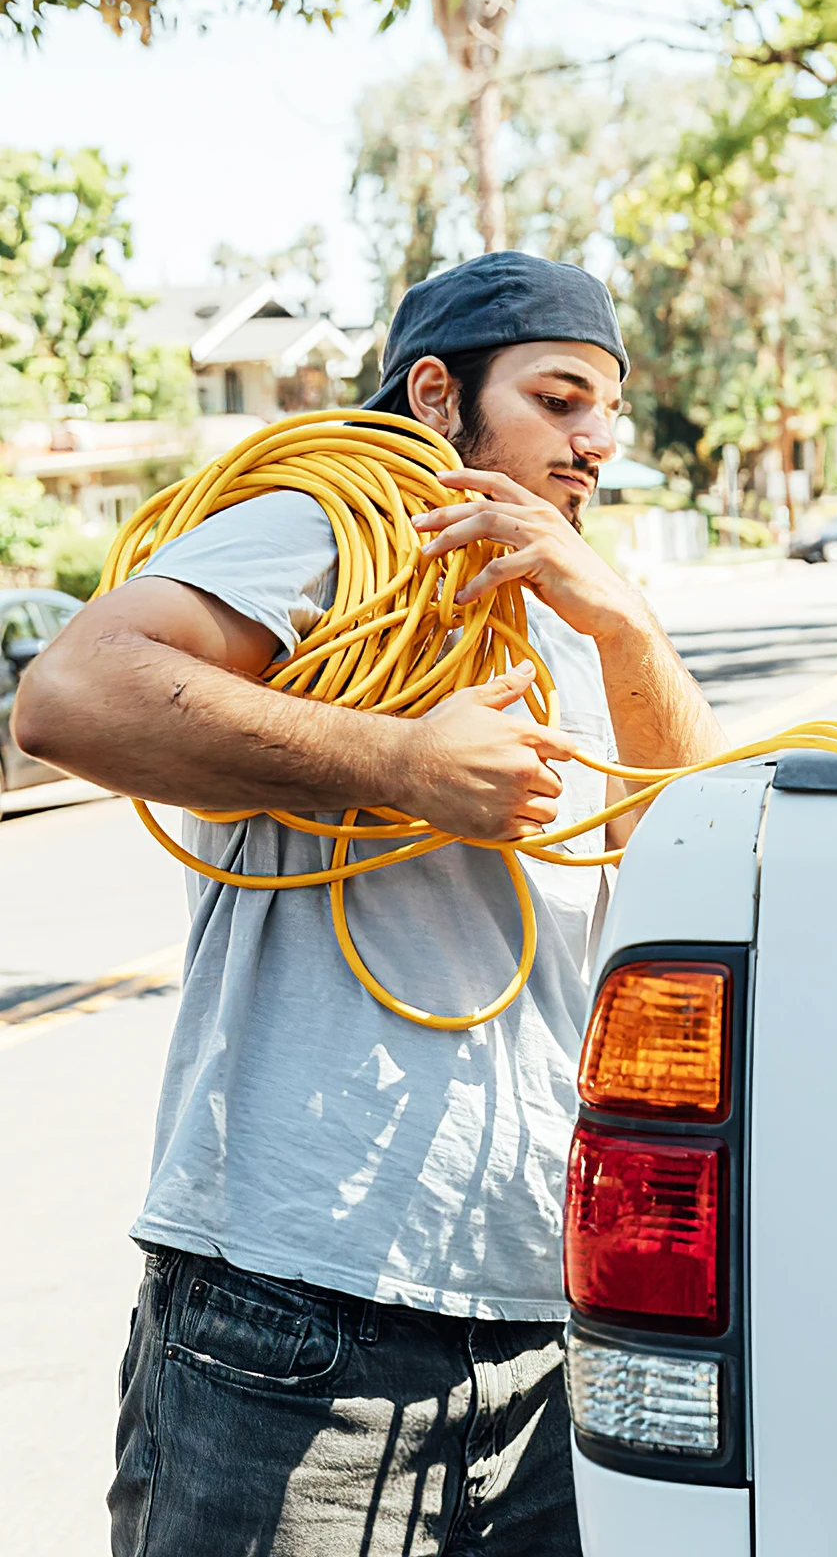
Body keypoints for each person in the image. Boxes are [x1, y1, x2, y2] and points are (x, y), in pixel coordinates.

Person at [12, 251, 726, 1555]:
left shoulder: (579, 605)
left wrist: (624, 627)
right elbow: (70, 694)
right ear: (440, 393)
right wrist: (400, 764)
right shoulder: (333, 528)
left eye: (608, 409)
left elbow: (684, 864)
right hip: (300, 1325)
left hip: (544, 1321)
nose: (597, 441)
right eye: (560, 399)